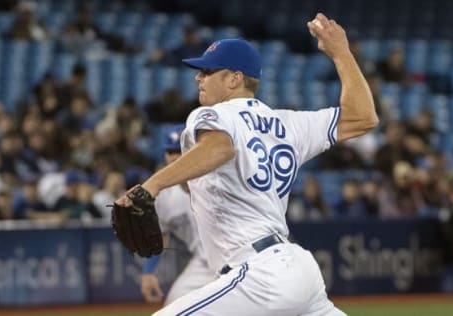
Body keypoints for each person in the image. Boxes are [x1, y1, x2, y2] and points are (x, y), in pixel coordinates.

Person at [116, 12, 378, 316]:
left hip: (258, 274)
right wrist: (342, 53)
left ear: (234, 78)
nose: (198, 77)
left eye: (208, 71)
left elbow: (221, 147)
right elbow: (363, 117)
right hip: (300, 270)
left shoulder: (214, 114)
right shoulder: (289, 123)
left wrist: (152, 186)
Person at [140, 124, 214, 305]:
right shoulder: (164, 196)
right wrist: (148, 272)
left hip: (237, 261)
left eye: (180, 151)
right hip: (203, 265)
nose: (174, 158)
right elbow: (160, 235)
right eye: (170, 152)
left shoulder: (214, 180)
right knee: (172, 307)